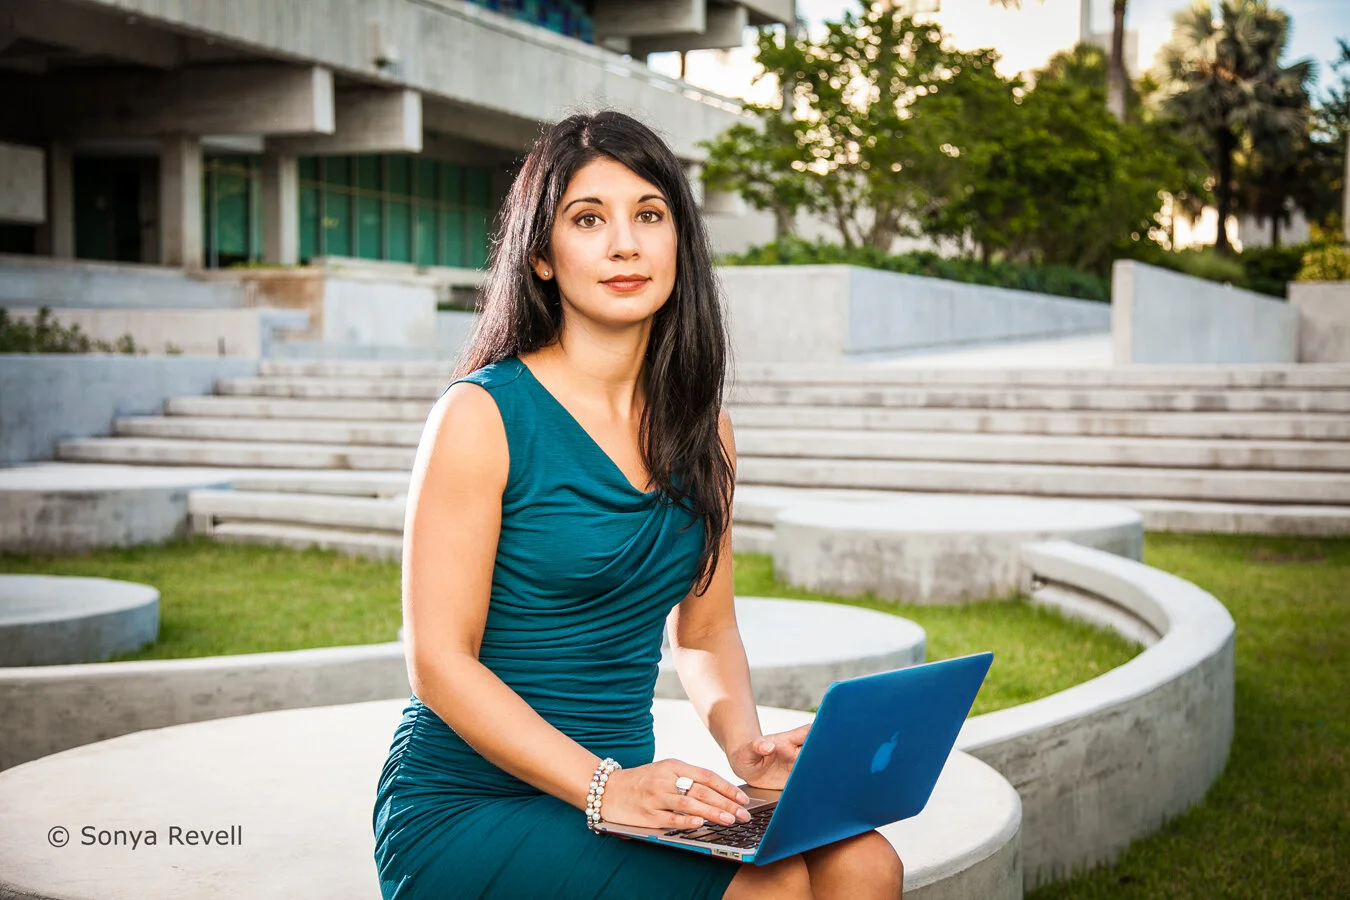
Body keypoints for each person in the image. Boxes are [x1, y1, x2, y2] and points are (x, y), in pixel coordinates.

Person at [372, 110, 904, 899]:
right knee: (775, 885)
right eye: (588, 219)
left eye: (649, 215)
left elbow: (705, 630)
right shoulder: (481, 415)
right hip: (470, 804)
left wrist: (745, 745)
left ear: (678, 242)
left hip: (630, 795)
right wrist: (602, 788)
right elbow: (439, 664)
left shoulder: (705, 430)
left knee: (867, 861)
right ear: (543, 257)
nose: (625, 244)